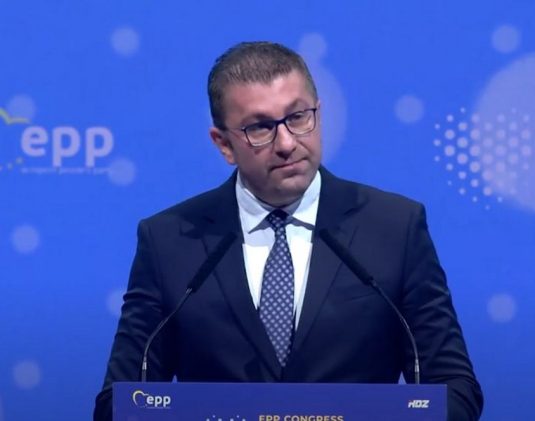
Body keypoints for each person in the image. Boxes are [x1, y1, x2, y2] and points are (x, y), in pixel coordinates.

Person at [94, 41, 483, 420]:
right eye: (260, 127)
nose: (286, 143)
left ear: (318, 114)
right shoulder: (170, 240)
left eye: (297, 117)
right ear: (223, 144)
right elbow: (119, 402)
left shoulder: (394, 228)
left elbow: (455, 389)